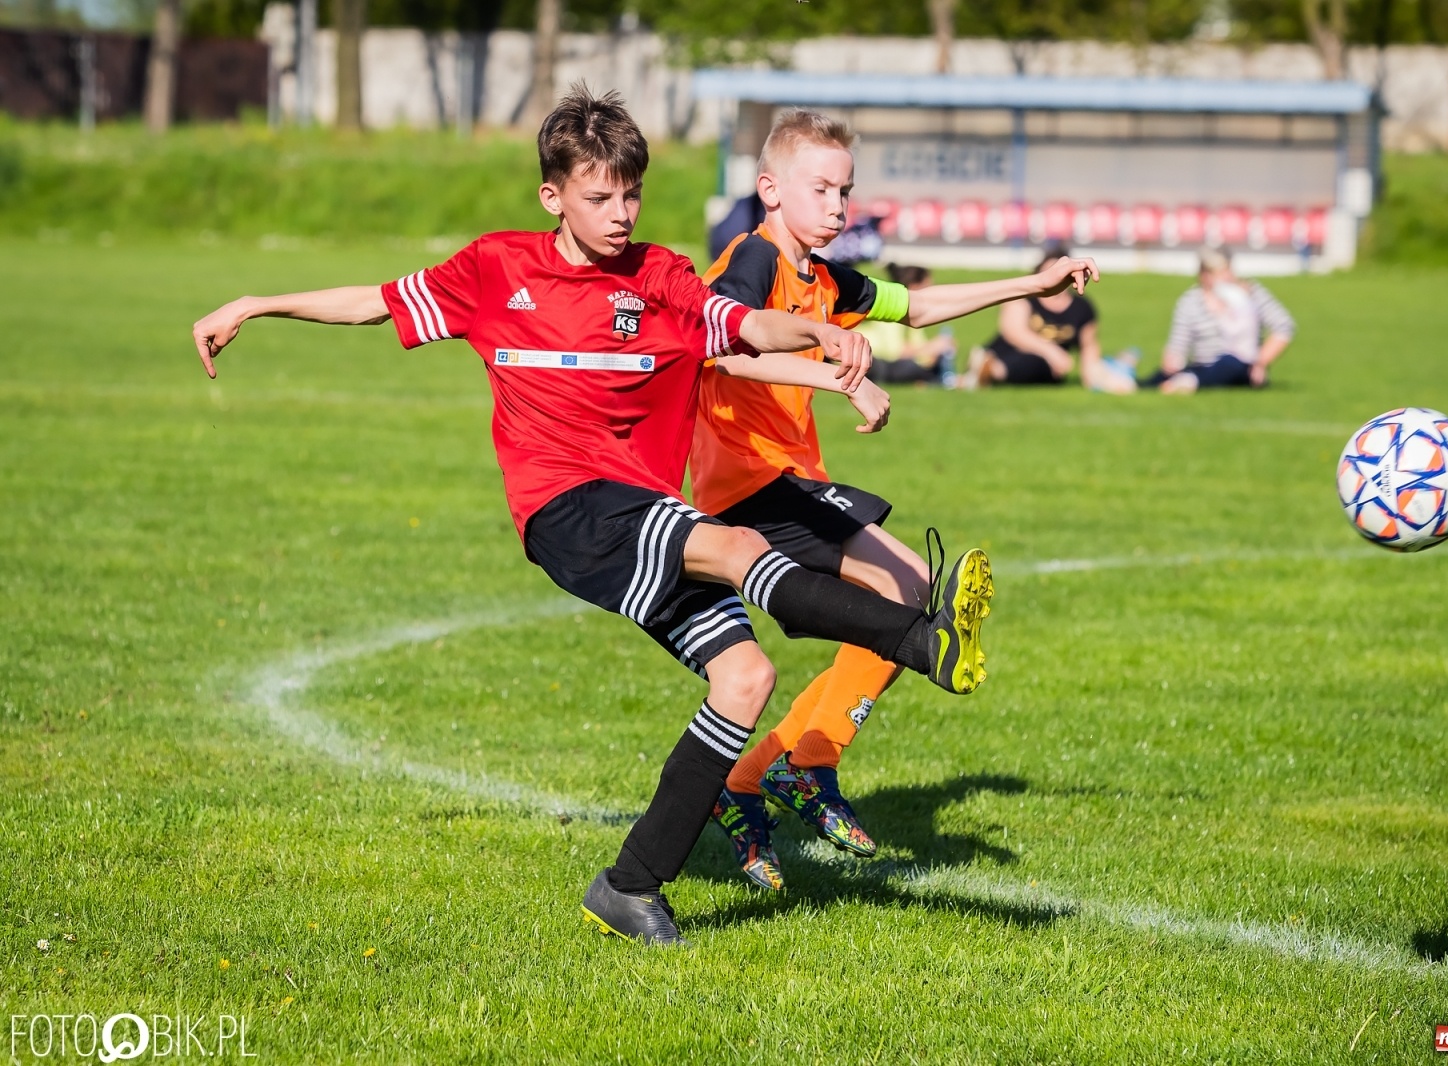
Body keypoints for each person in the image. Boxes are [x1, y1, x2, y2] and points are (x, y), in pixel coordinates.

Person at [189, 86, 996, 947]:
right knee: (736, 545)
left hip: (645, 508)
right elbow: (375, 301)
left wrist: (820, 336)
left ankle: (629, 885)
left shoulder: (661, 276)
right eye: (599, 196)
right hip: (563, 506)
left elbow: (746, 325)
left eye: (632, 195)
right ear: (554, 196)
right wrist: (255, 304)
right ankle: (923, 643)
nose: (620, 214)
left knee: (745, 680)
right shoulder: (494, 270)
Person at [693, 108, 1098, 892]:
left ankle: (756, 778)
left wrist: (1033, 280)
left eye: (846, 191)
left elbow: (915, 305)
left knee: (905, 591)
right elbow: (729, 349)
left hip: (785, 479)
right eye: (822, 189)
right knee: (909, 589)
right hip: (748, 481)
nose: (839, 207)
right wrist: (838, 372)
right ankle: (800, 765)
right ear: (769, 189)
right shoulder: (750, 261)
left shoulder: (823, 277)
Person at [962, 242, 1134, 394]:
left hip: (1047, 368)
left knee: (1037, 363)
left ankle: (984, 374)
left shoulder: (1082, 308)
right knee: (1027, 358)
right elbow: (1013, 331)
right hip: (1008, 351)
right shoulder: (1026, 297)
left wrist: (1102, 381)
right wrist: (1051, 351)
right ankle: (986, 369)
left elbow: (1089, 349)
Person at [1144, 247, 1295, 393]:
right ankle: (1138, 385)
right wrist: (1172, 360)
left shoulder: (1248, 294)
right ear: (1203, 275)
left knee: (1229, 362)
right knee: (1166, 375)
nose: (1225, 277)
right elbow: (1178, 344)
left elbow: (1283, 326)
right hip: (1203, 366)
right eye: (1217, 272)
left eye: (1226, 270)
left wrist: (1260, 363)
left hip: (1241, 365)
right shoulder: (1191, 301)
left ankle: (1190, 382)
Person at [859, 264, 957, 388]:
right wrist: (931, 347)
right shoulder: (892, 308)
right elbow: (895, 353)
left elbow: (922, 355)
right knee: (907, 367)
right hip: (870, 360)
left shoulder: (914, 318)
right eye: (928, 288)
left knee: (922, 368)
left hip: (887, 364)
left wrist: (937, 352)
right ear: (914, 287)